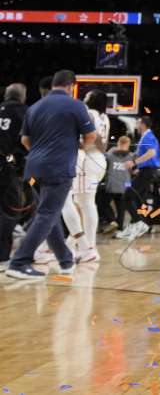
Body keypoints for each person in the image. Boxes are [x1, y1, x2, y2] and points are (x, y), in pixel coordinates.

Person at [5, 70, 95, 280]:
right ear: (71, 86)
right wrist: (79, 145)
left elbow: (25, 141)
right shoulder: (75, 105)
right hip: (58, 168)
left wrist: (41, 153)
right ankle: (19, 262)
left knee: (48, 211)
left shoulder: (34, 107)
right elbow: (90, 136)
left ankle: (65, 260)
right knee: (47, 214)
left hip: (33, 171)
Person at [69, 90, 110, 263]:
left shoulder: (88, 113)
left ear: (91, 99)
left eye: (86, 97)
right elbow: (103, 143)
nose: (83, 99)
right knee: (82, 202)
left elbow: (88, 138)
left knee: (84, 203)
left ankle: (89, 247)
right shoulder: (105, 118)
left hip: (89, 160)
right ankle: (76, 243)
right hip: (100, 160)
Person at [0, 83, 29, 267]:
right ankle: (2, 256)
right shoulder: (24, 111)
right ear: (22, 97)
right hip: (5, 164)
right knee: (10, 209)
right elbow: (26, 141)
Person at [118, 115, 160, 240]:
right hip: (145, 170)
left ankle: (139, 223)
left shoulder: (148, 136)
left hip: (148, 171)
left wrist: (134, 163)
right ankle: (135, 225)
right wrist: (137, 166)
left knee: (128, 196)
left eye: (138, 122)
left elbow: (151, 153)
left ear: (143, 124)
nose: (136, 124)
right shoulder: (145, 136)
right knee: (136, 199)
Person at [103, 135, 135, 232]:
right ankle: (120, 228)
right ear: (128, 144)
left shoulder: (110, 154)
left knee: (102, 204)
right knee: (121, 208)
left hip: (111, 185)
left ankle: (112, 220)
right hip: (124, 186)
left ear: (118, 143)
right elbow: (132, 171)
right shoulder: (131, 156)